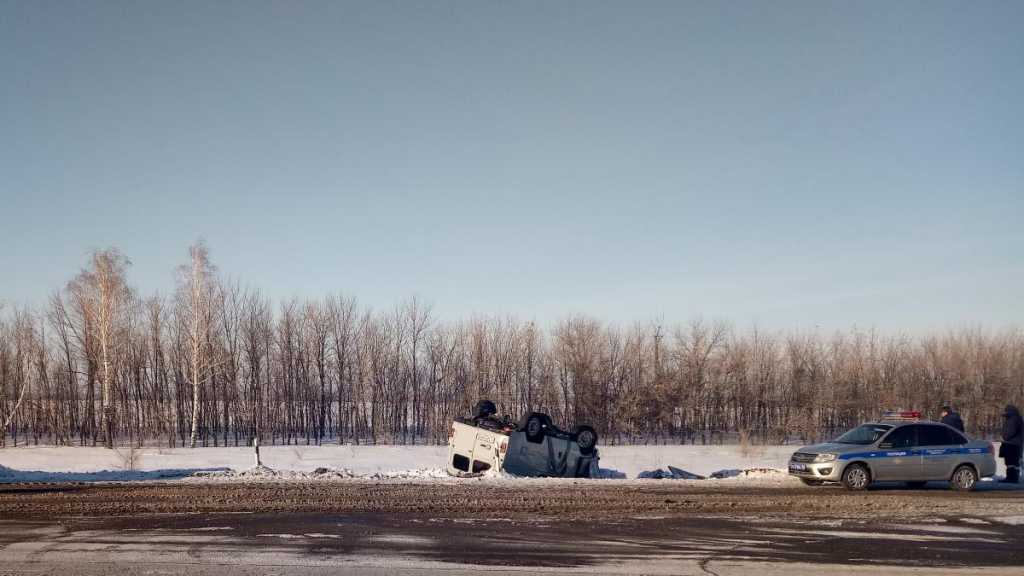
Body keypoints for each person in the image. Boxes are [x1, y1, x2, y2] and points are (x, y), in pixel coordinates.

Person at [1000, 405, 1023, 484]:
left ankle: (1011, 478)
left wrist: (1004, 435)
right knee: (1014, 463)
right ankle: (1013, 478)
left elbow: (1009, 433)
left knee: (1010, 462)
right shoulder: (1018, 418)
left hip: (1011, 445)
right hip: (1016, 444)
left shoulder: (1012, 420)